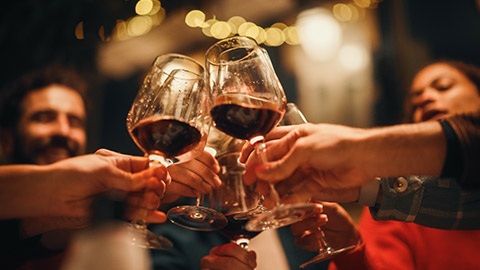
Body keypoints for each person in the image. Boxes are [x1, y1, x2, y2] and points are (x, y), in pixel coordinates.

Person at [248, 60, 480, 270]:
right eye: (415, 99)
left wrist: (356, 148)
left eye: (443, 87)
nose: (424, 98)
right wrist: (351, 245)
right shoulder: (395, 208)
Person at [0, 65, 220, 269]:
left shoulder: (41, 231)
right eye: (44, 118)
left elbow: (39, 235)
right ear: (6, 140)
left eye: (74, 121)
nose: (63, 130)